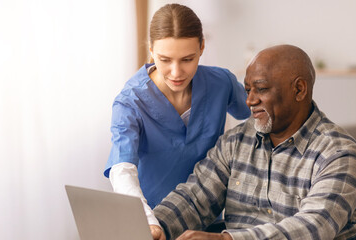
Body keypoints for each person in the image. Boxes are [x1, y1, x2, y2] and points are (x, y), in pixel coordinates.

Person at [150, 44, 356, 240]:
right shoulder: (235, 142)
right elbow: (194, 199)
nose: (249, 100)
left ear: (299, 89)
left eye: (261, 89)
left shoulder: (339, 154)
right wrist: (152, 226)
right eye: (247, 90)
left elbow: (313, 228)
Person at [103, 3, 250, 229]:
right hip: (155, 221)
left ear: (202, 47)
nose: (176, 72)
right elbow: (122, 169)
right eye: (165, 60)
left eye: (187, 59)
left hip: (209, 218)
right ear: (151, 50)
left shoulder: (221, 83)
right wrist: (148, 221)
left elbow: (257, 112)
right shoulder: (130, 102)